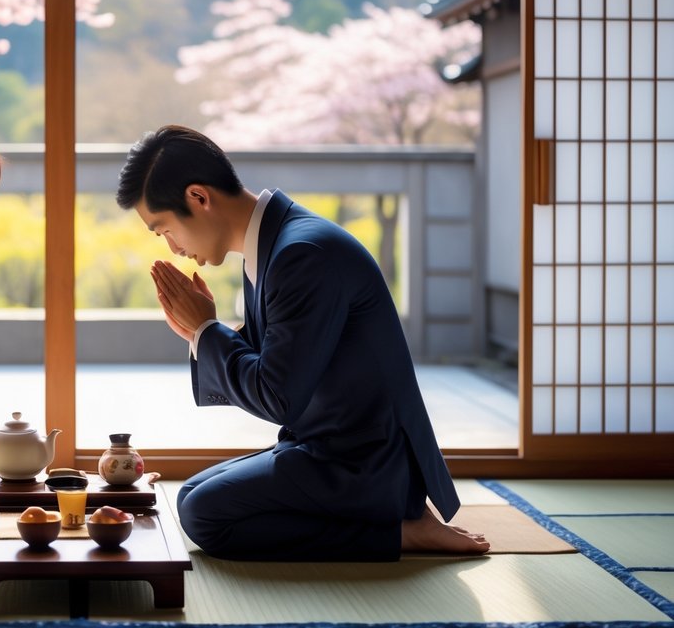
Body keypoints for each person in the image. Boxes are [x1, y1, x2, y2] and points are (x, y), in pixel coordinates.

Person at [116, 125, 489, 561]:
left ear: (199, 198)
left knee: (203, 513)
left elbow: (278, 396)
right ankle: (392, 523)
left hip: (363, 462)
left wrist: (207, 332)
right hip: (325, 446)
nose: (172, 247)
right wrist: (201, 333)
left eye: (164, 229)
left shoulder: (301, 254)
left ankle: (398, 532)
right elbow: (271, 363)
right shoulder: (274, 244)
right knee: (192, 494)